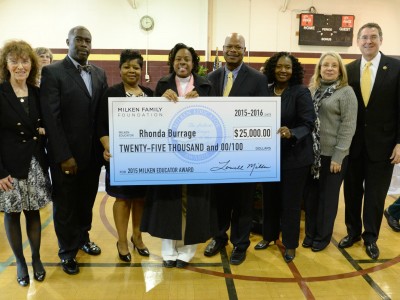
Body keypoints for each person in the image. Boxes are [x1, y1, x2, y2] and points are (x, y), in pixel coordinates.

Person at [141, 43, 217, 268]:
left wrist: (202, 100)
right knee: (169, 200)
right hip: (170, 154)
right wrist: (161, 100)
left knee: (193, 200)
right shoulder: (163, 84)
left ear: (194, 63)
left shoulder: (206, 86)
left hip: (198, 155)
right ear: (172, 62)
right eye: (178, 59)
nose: (182, 63)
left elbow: (215, 118)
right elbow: (154, 119)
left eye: (187, 60)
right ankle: (168, 251)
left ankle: (187, 251)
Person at [40, 26, 108, 274]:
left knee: (85, 202)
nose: (83, 44)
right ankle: (67, 251)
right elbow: (51, 118)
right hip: (66, 157)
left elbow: (102, 116)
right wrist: (63, 156)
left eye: (88, 40)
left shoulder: (99, 74)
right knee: (66, 205)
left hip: (92, 156)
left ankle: (82, 238)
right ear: (67, 41)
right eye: (78, 40)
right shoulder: (53, 72)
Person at [203, 33, 269, 265]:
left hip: (245, 153)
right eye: (229, 46)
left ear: (244, 50)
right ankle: (219, 237)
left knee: (243, 202)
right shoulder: (211, 77)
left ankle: (240, 244)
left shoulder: (258, 79)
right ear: (222, 49)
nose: (233, 50)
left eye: (237, 47)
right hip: (217, 153)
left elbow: (264, 116)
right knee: (218, 200)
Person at [340, 22, 400, 259]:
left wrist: (399, 142)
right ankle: (353, 233)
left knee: (375, 196)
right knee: (352, 193)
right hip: (352, 146)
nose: (368, 42)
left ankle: (371, 238)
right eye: (364, 37)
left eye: (373, 37)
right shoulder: (349, 69)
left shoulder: (396, 68)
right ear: (357, 41)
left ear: (381, 40)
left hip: (383, 146)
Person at [254, 52, 315, 262]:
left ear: (294, 70)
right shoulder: (265, 90)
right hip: (269, 157)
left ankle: (290, 244)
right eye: (279, 66)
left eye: (287, 67)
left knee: (290, 203)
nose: (283, 70)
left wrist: (292, 133)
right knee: (269, 200)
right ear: (272, 68)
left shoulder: (301, 92)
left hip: (295, 158)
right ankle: (269, 236)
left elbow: (308, 123)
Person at [0, 40, 52, 286]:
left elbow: (46, 124)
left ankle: (36, 258)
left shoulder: (38, 93)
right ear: (6, 65)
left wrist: (43, 130)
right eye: (14, 61)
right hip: (8, 167)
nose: (20, 66)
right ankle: (20, 261)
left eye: (25, 61)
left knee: (33, 213)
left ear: (32, 63)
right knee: (12, 215)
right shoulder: (0, 93)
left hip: (35, 163)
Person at [97, 50, 153, 262]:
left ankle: (137, 237)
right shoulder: (111, 93)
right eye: (127, 66)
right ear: (120, 69)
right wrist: (106, 146)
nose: (132, 70)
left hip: (145, 158)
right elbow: (100, 125)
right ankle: (122, 240)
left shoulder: (150, 94)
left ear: (141, 70)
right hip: (120, 157)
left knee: (140, 198)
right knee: (123, 199)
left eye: (136, 67)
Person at [303, 52, 357, 252]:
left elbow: (348, 127)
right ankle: (310, 233)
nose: (329, 68)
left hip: (333, 156)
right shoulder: (311, 90)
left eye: (334, 65)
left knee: (328, 198)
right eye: (325, 65)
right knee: (310, 197)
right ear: (319, 69)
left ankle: (322, 236)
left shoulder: (346, 93)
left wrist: (339, 155)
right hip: (312, 155)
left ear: (340, 70)